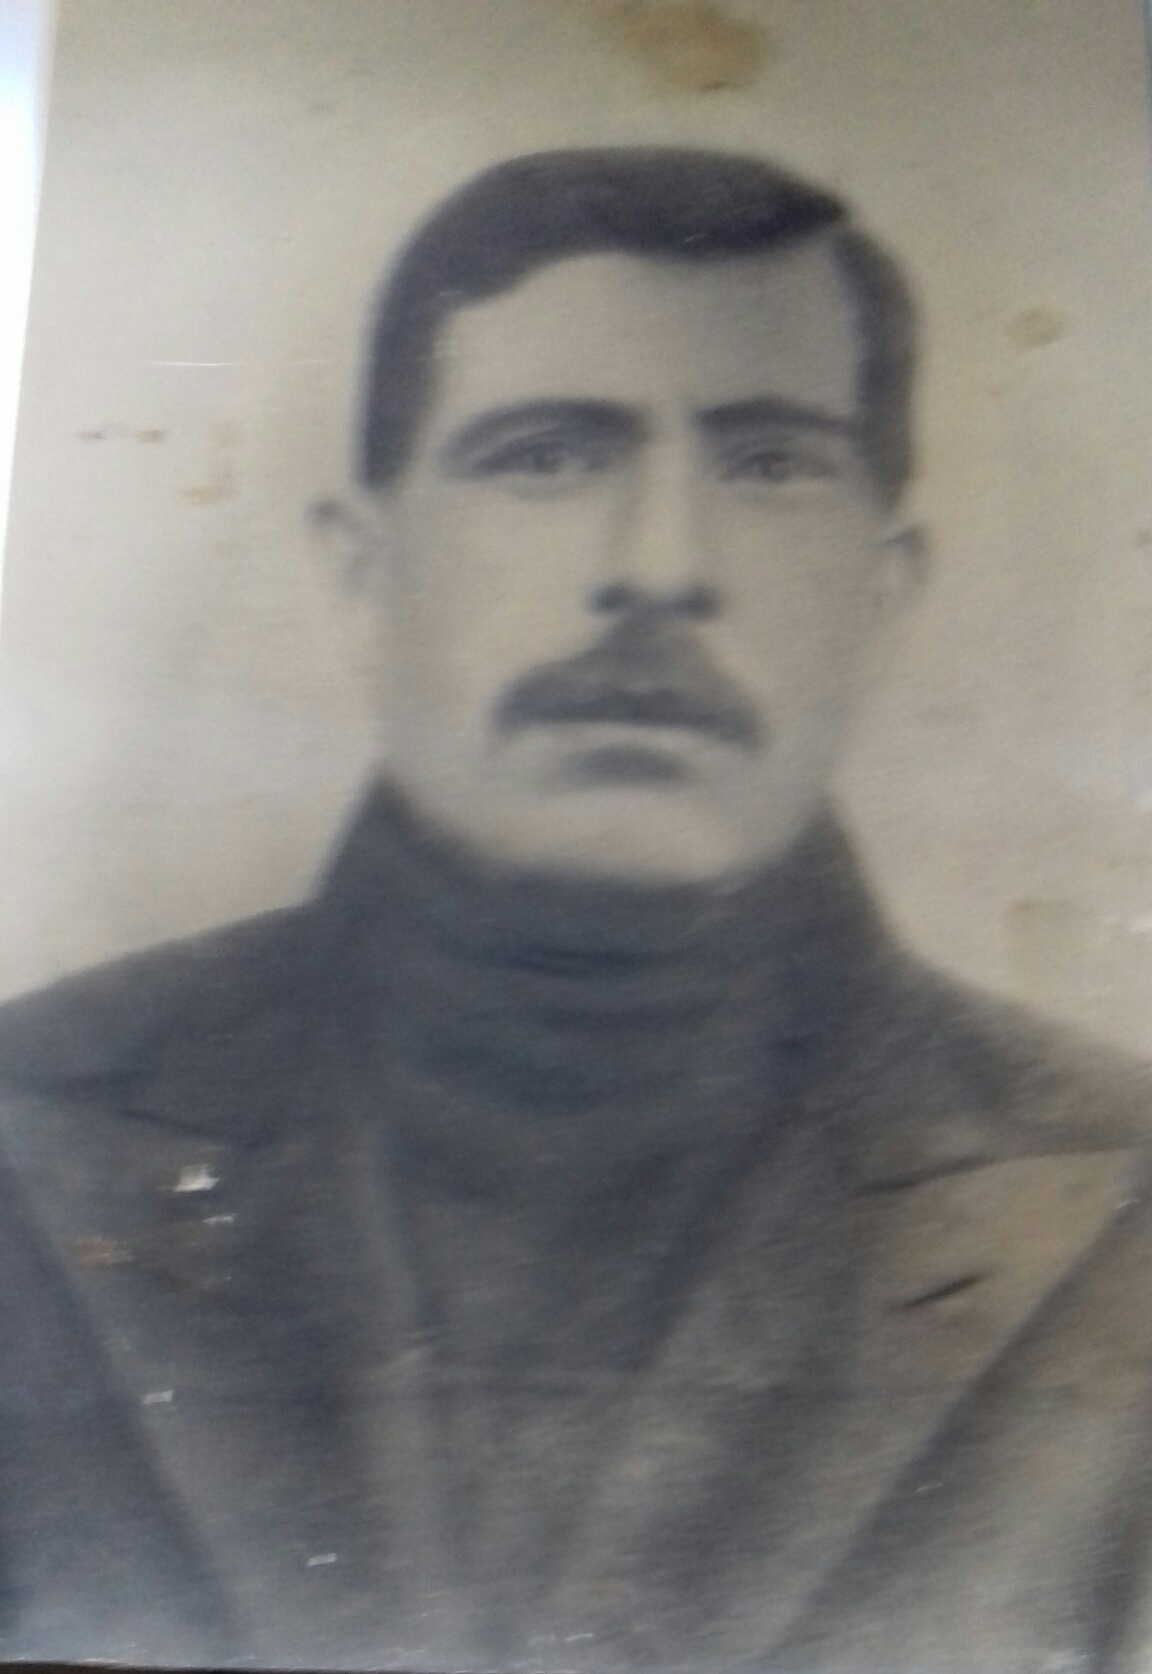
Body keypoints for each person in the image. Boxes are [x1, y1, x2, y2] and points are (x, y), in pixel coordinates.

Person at [0, 146, 1150, 1674]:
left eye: (770, 464)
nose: (659, 568)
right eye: (545, 456)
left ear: (883, 595)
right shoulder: (30, 1123)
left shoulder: (1122, 1214)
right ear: (363, 573)